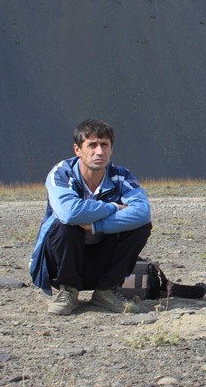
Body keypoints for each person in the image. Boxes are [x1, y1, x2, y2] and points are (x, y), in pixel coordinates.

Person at [29, 119, 152, 315]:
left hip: (100, 259)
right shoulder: (61, 173)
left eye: (104, 145)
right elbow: (69, 213)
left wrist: (97, 225)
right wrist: (112, 207)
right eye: (92, 145)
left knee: (140, 227)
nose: (99, 152)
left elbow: (142, 212)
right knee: (65, 225)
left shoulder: (121, 176)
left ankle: (107, 291)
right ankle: (68, 290)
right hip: (61, 262)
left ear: (111, 149)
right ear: (77, 150)